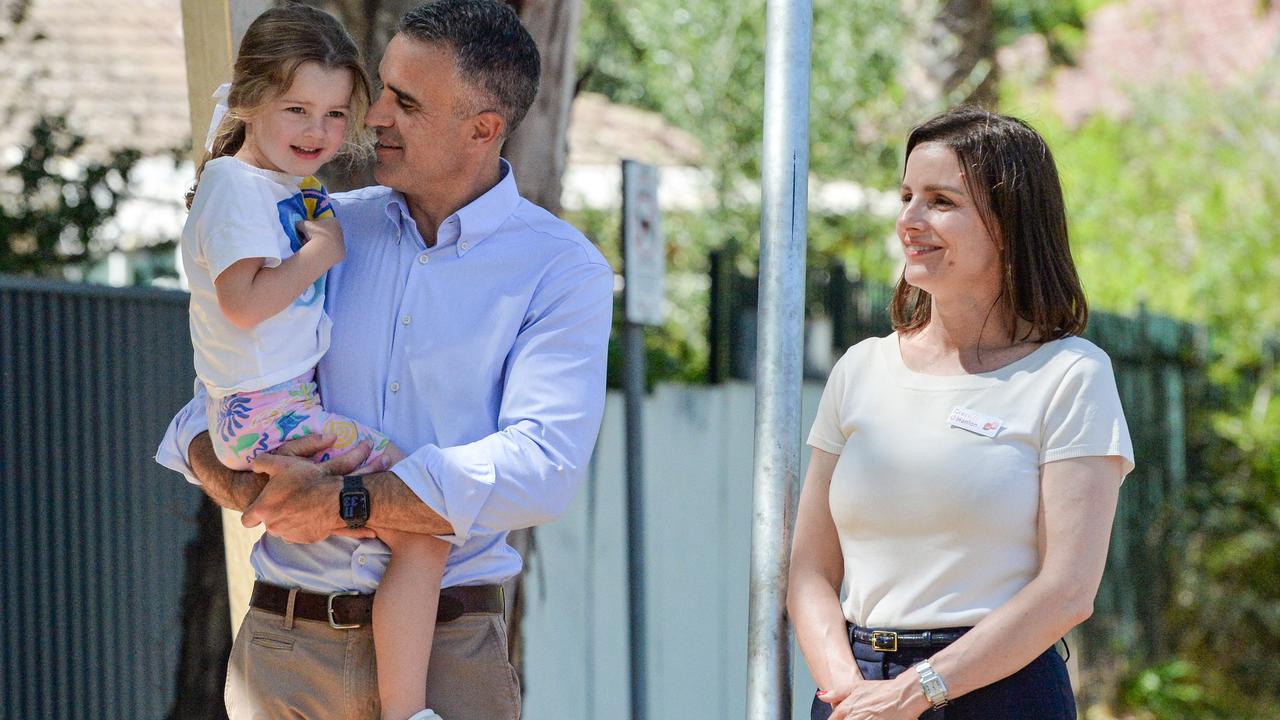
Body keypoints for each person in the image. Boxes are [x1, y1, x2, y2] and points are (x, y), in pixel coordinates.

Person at [156, 1, 614, 718]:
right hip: (284, 654)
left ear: (483, 129)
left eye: (404, 101)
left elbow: (543, 471)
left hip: (450, 659)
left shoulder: (561, 272)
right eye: (381, 92)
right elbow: (208, 405)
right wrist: (258, 494)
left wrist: (348, 501)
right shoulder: (321, 226)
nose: (371, 119)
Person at [788, 107, 1135, 720]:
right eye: (906, 196)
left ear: (1009, 224)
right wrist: (852, 693)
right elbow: (811, 570)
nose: (909, 221)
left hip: (998, 692)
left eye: (940, 201)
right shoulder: (860, 369)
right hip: (854, 693)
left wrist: (913, 692)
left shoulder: (1070, 375)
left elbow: (1067, 592)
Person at [179, 5, 448, 719]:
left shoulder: (270, 187)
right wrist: (320, 255)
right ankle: (408, 711)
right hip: (270, 415)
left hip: (262, 409)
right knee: (427, 526)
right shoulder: (237, 187)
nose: (318, 132)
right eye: (297, 108)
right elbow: (242, 302)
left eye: (335, 114)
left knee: (412, 532)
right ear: (247, 100)